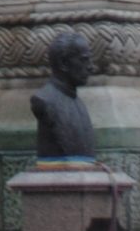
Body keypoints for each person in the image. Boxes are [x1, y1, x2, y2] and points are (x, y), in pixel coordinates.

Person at [30, 26, 100, 159]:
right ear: (63, 63)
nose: (91, 67)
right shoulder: (45, 100)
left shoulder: (79, 103)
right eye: (84, 60)